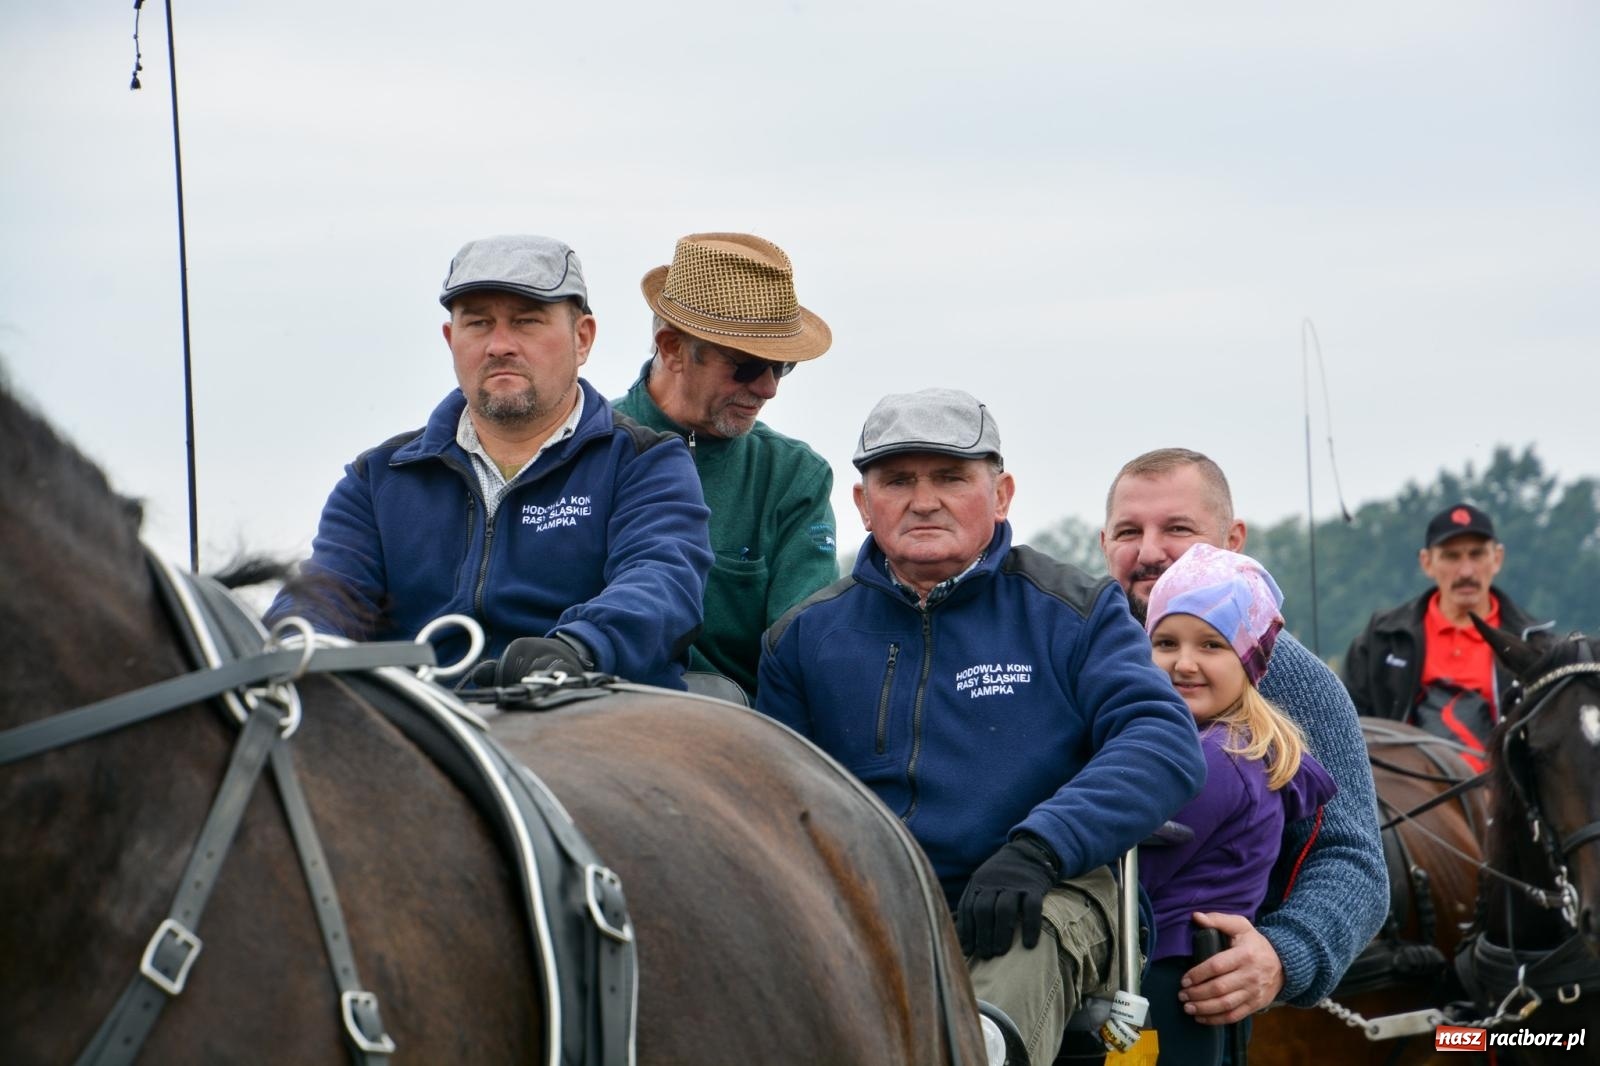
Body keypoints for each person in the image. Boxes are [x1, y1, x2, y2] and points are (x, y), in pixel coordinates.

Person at [759, 390, 1206, 1066]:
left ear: (1001, 494)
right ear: (862, 502)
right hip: (866, 902)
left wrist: (1041, 847)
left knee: (981, 1036)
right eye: (898, 480)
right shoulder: (802, 638)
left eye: (950, 477)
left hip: (1050, 890)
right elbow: (774, 800)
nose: (923, 499)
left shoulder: (1076, 611)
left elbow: (1163, 743)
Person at [267, 233, 713, 689]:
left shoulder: (645, 462)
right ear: (450, 340)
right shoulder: (379, 479)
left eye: (526, 322)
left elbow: (661, 582)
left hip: (594, 712)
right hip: (422, 728)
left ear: (583, 339)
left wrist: (577, 649)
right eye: (478, 324)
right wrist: (295, 643)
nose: (499, 345)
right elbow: (325, 596)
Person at [1100, 448, 1386, 1023]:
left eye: (1178, 529)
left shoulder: (1299, 683)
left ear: (1233, 539)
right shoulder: (1066, 656)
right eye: (1129, 531)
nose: (1151, 551)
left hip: (1191, 994)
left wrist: (1284, 954)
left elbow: (1351, 859)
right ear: (1102, 542)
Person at [613, 232, 837, 699]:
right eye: (748, 364)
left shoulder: (795, 477)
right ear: (671, 347)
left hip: (738, 737)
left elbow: (805, 654)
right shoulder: (582, 449)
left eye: (783, 367)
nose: (769, 388)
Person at [1139, 543, 1337, 1063]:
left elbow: (1133, 873)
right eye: (1165, 642)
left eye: (1211, 645)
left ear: (1251, 661)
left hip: (1171, 988)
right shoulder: (1221, 748)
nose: (1183, 663)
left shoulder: (1216, 761)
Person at [1341, 503, 1555, 769]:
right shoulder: (1383, 639)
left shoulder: (1533, 645)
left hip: (1505, 798)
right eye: (1451, 557)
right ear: (1427, 562)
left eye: (1477, 555)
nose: (1466, 571)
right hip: (1404, 796)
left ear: (1497, 558)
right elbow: (1346, 721)